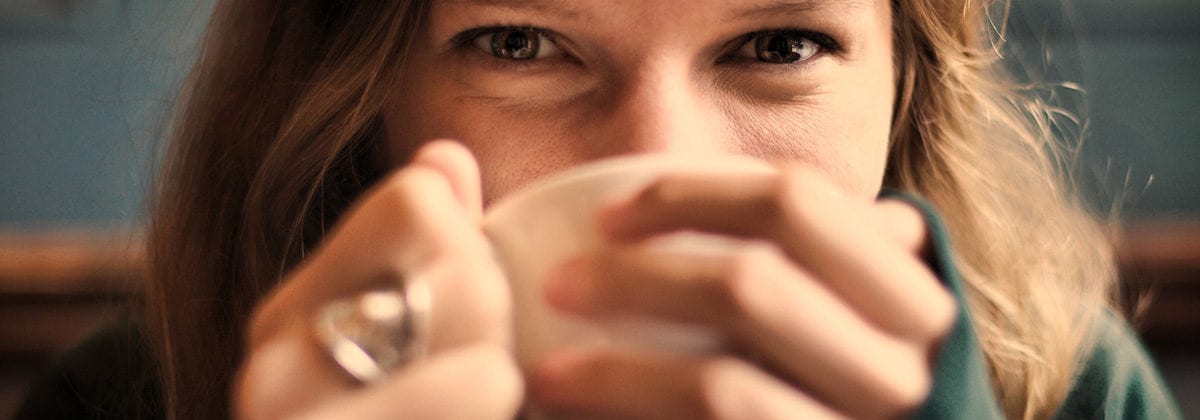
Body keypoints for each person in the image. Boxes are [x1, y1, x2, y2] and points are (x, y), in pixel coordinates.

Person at [15, 0, 1182, 419]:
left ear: (907, 90)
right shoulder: (137, 395)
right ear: (363, 100)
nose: (659, 164)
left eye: (778, 46)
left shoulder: (1072, 393)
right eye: (520, 45)